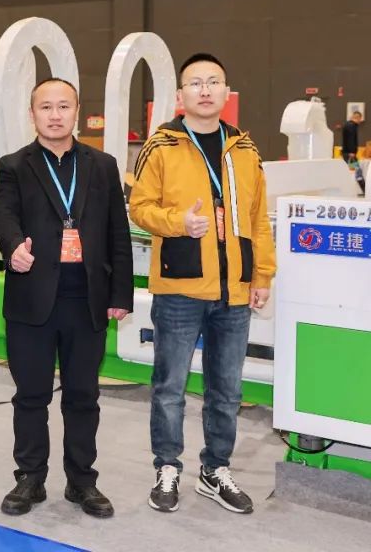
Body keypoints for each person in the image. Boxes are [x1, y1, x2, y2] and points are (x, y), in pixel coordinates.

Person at [129, 52, 276, 515]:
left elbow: (258, 218)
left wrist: (262, 274)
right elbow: (139, 207)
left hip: (234, 290)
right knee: (169, 387)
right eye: (196, 82)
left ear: (226, 92)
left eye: (214, 81)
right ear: (181, 95)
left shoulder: (245, 150)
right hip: (180, 288)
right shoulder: (161, 145)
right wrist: (179, 222)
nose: (205, 90)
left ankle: (215, 470)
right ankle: (167, 467)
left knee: (227, 390)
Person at [0, 78, 133, 519]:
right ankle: (30, 478)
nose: (55, 115)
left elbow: (118, 232)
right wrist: (13, 246)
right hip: (32, 298)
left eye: (63, 106)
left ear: (77, 111)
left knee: (83, 396)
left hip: (86, 300)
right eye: (46, 107)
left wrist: (120, 293)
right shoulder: (14, 165)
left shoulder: (102, 165)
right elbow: (3, 213)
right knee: (30, 396)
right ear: (32, 114)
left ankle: (82, 480)